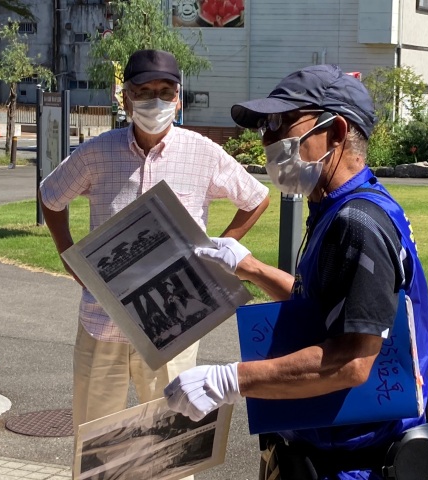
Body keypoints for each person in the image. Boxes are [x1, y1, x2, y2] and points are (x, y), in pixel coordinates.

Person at [163, 64, 428, 479]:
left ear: (337, 131)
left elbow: (352, 361)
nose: (268, 139)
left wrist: (230, 379)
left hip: (356, 463)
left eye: (282, 123)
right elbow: (325, 307)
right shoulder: (337, 206)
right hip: (322, 452)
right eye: (265, 127)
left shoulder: (356, 222)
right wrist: (249, 266)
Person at [39, 49, 269, 447]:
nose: (155, 101)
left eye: (165, 91)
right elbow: (51, 196)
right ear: (125, 97)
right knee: (94, 443)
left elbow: (256, 197)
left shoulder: (202, 152)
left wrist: (218, 251)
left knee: (174, 442)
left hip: (174, 321)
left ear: (178, 97)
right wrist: (68, 255)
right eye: (143, 91)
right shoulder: (97, 152)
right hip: (102, 320)